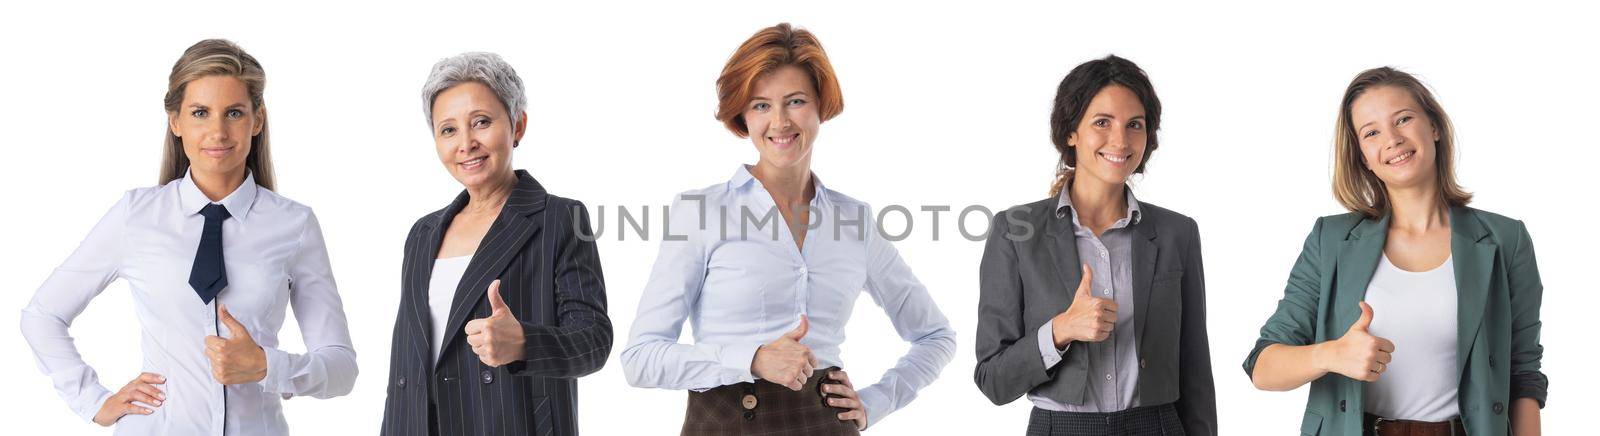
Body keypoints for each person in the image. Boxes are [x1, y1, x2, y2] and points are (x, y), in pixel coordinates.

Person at [620, 23, 956, 434]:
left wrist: (875, 402)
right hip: (724, 422)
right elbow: (640, 358)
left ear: (820, 107)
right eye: (761, 105)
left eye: (795, 101)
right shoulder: (700, 212)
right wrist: (752, 358)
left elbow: (935, 336)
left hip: (825, 423)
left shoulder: (854, 222)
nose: (779, 121)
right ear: (742, 115)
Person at [19, 39, 358, 435]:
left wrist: (268, 366)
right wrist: (94, 402)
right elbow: (42, 316)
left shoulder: (294, 225)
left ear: (258, 120)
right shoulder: (137, 216)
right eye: (200, 113)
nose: (218, 131)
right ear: (175, 121)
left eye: (234, 112)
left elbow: (341, 369)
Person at [1244, 67, 1547, 435]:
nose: (1392, 139)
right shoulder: (1331, 240)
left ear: (1434, 127)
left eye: (1403, 119)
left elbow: (1524, 373)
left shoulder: (1505, 240)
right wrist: (1332, 354)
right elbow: (1263, 366)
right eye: (1371, 132)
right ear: (1364, 158)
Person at [974, 55, 1216, 436]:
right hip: (1060, 427)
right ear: (1071, 132)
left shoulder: (1177, 233)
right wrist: (1060, 330)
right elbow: (993, 379)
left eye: (1134, 125)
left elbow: (1196, 369)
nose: (1120, 140)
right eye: (1102, 122)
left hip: (1156, 426)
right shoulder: (1015, 231)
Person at [379, 52, 613, 436]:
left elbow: (594, 341)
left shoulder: (559, 218)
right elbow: (406, 360)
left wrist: (524, 342)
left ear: (517, 125)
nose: (466, 143)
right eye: (448, 130)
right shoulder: (422, 233)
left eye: (481, 123)